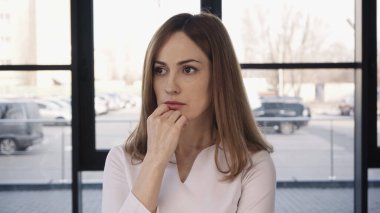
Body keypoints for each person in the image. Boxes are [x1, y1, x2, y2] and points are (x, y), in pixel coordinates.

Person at [102, 12, 276, 213]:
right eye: (160, 70)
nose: (170, 87)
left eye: (188, 70)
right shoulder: (121, 160)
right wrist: (155, 160)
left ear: (219, 76)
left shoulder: (252, 165)